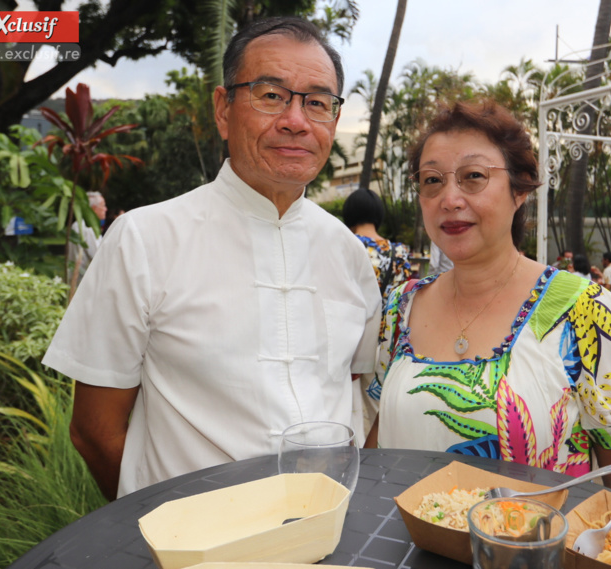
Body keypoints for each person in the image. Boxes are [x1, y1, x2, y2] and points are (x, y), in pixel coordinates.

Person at [43, 17, 382, 501]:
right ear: (223, 109)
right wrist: (164, 522)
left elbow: (356, 396)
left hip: (327, 536)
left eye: (318, 103)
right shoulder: (144, 239)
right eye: (271, 95)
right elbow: (94, 431)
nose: (296, 120)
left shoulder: (349, 254)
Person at [367, 100, 611, 500]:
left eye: (473, 176)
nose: (449, 198)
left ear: (520, 189)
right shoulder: (401, 307)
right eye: (432, 180)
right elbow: (379, 439)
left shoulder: (584, 310)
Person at [342, 188, 411, 301]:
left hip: (353, 318)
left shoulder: (345, 245)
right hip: (387, 318)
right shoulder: (399, 252)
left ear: (349, 214)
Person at [68, 191, 107, 286]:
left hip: (77, 278)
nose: (105, 209)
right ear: (93, 209)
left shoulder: (79, 224)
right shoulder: (88, 227)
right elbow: (97, 255)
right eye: (103, 205)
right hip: (84, 281)